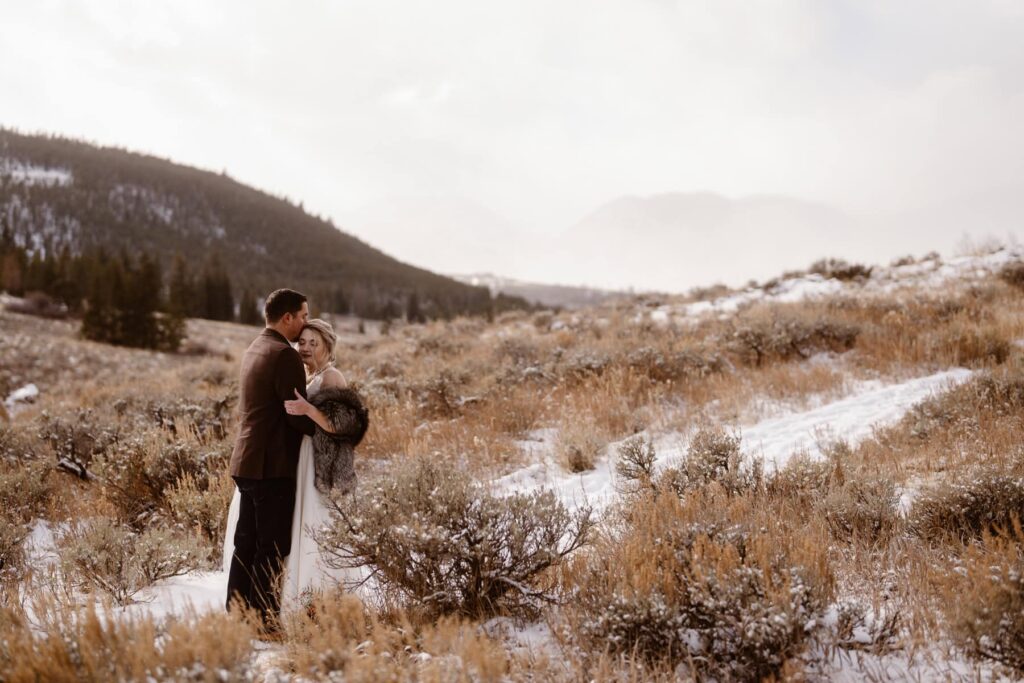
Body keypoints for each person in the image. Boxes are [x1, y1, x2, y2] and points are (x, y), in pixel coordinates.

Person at [224, 316, 369, 617]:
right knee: (288, 529)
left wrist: (308, 410)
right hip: (298, 458)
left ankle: (320, 602)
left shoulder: (332, 377)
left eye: (313, 343)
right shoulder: (303, 374)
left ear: (327, 346)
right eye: (301, 342)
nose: (305, 348)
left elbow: (344, 425)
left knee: (314, 525)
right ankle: (284, 602)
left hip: (317, 462)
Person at [224, 288, 314, 631]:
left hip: (246, 460)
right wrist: (329, 428)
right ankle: (262, 622)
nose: (305, 322)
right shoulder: (284, 355)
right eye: (303, 316)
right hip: (271, 465)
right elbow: (295, 415)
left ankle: (236, 616)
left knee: (245, 543)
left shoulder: (254, 347)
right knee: (272, 546)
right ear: (287, 317)